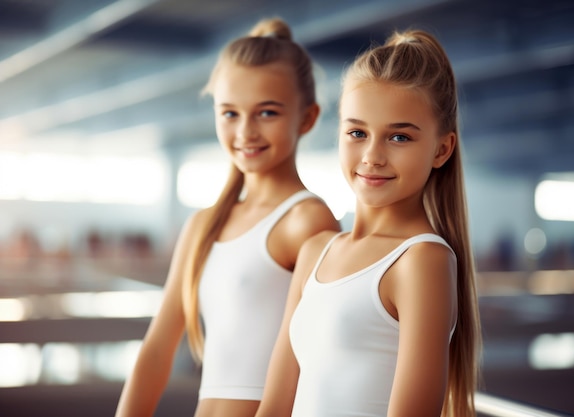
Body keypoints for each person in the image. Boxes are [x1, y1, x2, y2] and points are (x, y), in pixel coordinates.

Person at [115, 17, 340, 417]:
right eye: (230, 113)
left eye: (266, 113)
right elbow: (157, 350)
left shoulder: (307, 222)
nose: (245, 132)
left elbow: (321, 365)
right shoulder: (203, 226)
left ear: (306, 118)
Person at [255, 29, 482, 417]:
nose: (373, 156)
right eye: (357, 132)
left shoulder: (420, 260)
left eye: (399, 137)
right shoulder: (315, 252)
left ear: (441, 149)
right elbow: (274, 406)